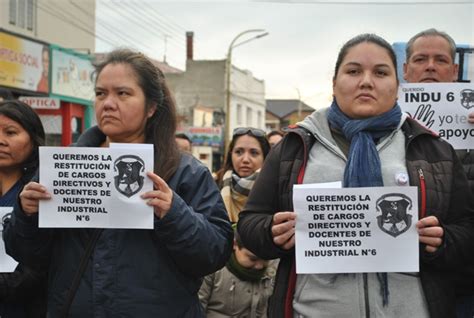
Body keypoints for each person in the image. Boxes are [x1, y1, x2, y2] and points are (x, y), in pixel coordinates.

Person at [237, 33, 474, 318]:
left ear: (397, 86)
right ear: (334, 83)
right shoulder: (295, 146)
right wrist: (272, 232)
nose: (366, 81)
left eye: (381, 72)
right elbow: (249, 223)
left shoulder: (432, 149)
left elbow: (467, 229)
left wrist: (443, 240)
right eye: (353, 71)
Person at [3, 49, 233, 317]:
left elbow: (215, 253)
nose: (108, 103)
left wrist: (174, 214)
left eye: (122, 93)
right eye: (101, 93)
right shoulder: (65, 166)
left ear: (151, 107)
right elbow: (26, 254)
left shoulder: (185, 172)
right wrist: (27, 215)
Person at [404, 28, 474, 318]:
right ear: (406, 70)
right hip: (410, 279)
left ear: (455, 70)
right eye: (421, 59)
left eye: (440, 60)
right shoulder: (382, 124)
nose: (430, 66)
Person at [0, 100, 47, 318]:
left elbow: (43, 262)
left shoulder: (42, 191)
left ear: (33, 140)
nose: (1, 141)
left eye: (10, 133)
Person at [198, 226, 275, 317]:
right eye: (252, 259)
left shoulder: (272, 271)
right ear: (235, 244)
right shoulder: (212, 269)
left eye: (265, 260)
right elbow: (198, 307)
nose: (259, 266)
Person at [216, 127, 270, 223]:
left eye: (254, 153)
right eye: (239, 152)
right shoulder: (214, 184)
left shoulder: (275, 189)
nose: (245, 159)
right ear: (231, 154)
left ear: (265, 157)